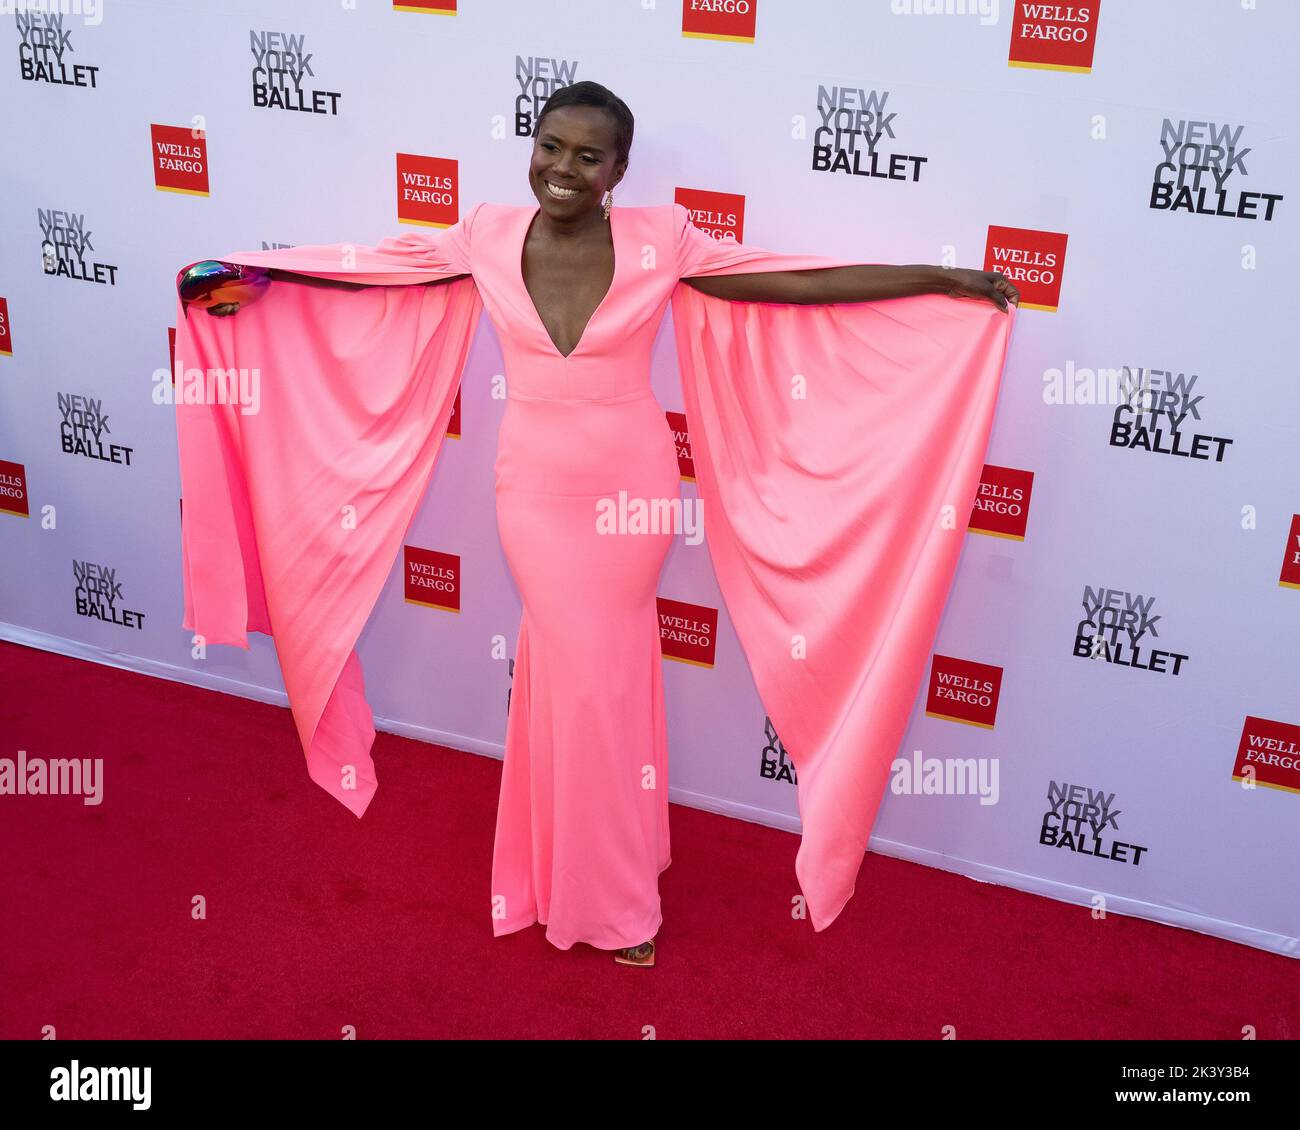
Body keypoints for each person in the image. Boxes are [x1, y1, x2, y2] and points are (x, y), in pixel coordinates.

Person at [175, 81, 1018, 969]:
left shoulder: (664, 240)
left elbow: (791, 282)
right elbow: (374, 271)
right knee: (583, 681)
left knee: (601, 680)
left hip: (632, 491)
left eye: (588, 155)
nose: (562, 169)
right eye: (550, 146)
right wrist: (254, 274)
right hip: (533, 496)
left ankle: (608, 892)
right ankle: (599, 884)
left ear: (619, 170)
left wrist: (939, 277)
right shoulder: (486, 234)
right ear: (530, 147)